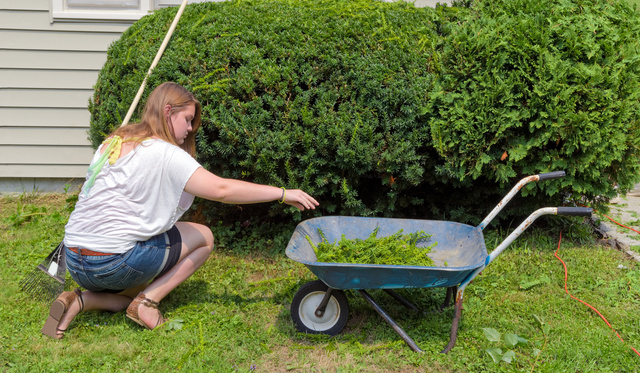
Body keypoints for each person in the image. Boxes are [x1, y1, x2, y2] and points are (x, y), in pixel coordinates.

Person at [42, 82, 319, 339]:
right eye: (187, 119)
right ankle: (148, 304)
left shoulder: (112, 141)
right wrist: (282, 194)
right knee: (204, 237)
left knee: (132, 290)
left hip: (74, 260)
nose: (190, 129)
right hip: (112, 264)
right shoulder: (166, 152)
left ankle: (79, 300)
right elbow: (221, 190)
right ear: (167, 112)